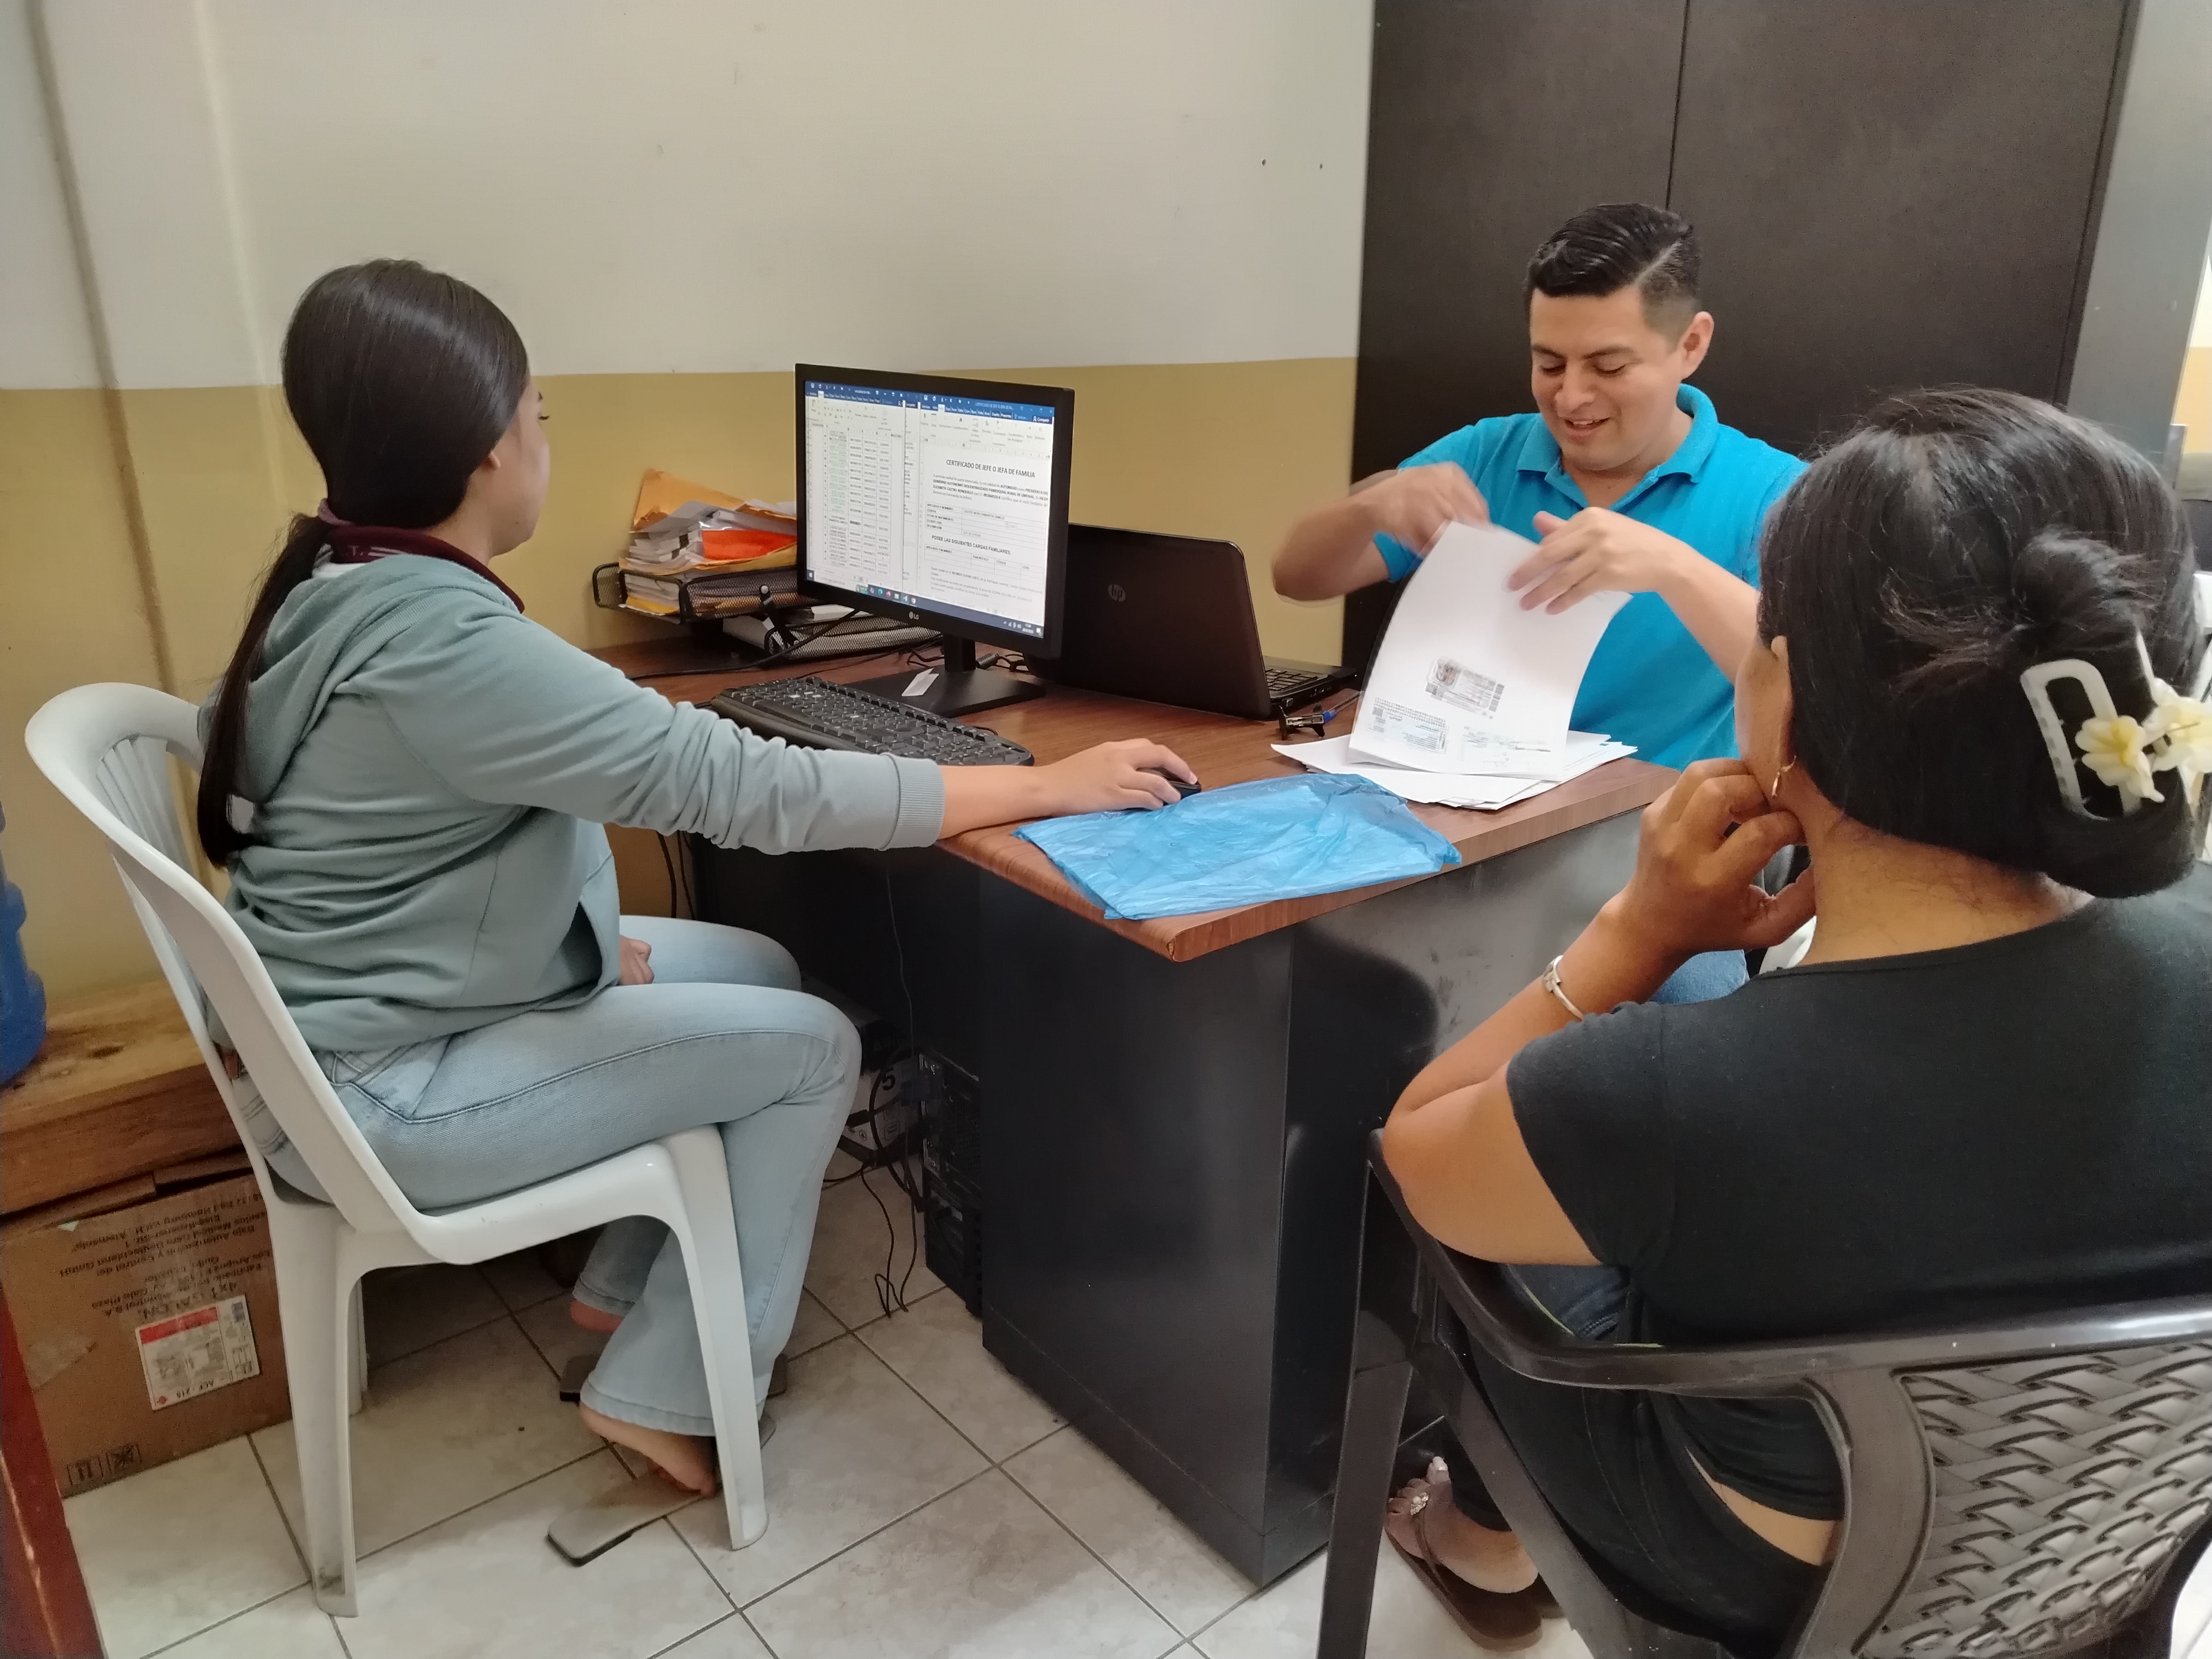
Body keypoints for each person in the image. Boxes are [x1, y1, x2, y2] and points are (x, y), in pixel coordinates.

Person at [198, 259, 1196, 1496]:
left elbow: (423, 832)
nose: (544, 437)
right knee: (815, 1048)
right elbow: (747, 789)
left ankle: (622, 1293)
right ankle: (663, 1394)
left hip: (350, 1023)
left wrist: (561, 940)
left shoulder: (342, 579)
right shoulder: (446, 643)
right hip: (384, 1092)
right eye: (539, 413)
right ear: (490, 451)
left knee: (762, 966)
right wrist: (1044, 786)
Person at [1373, 387, 2211, 1654]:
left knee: (1513, 1241)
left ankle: (1482, 1541)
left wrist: (1635, 936)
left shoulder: (1667, 1087)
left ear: (1779, 702)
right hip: (2106, 1530)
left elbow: (1417, 1155)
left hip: (1769, 1572)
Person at [1272, 202, 1803, 774]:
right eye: (1549, 365)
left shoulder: (1777, 494)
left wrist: (1675, 570)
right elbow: (1297, 578)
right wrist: (1369, 505)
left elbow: (1815, 699)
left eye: (1608, 367)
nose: (1570, 397)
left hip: (1653, 813)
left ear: (1691, 346)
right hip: (1458, 791)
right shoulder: (1484, 454)